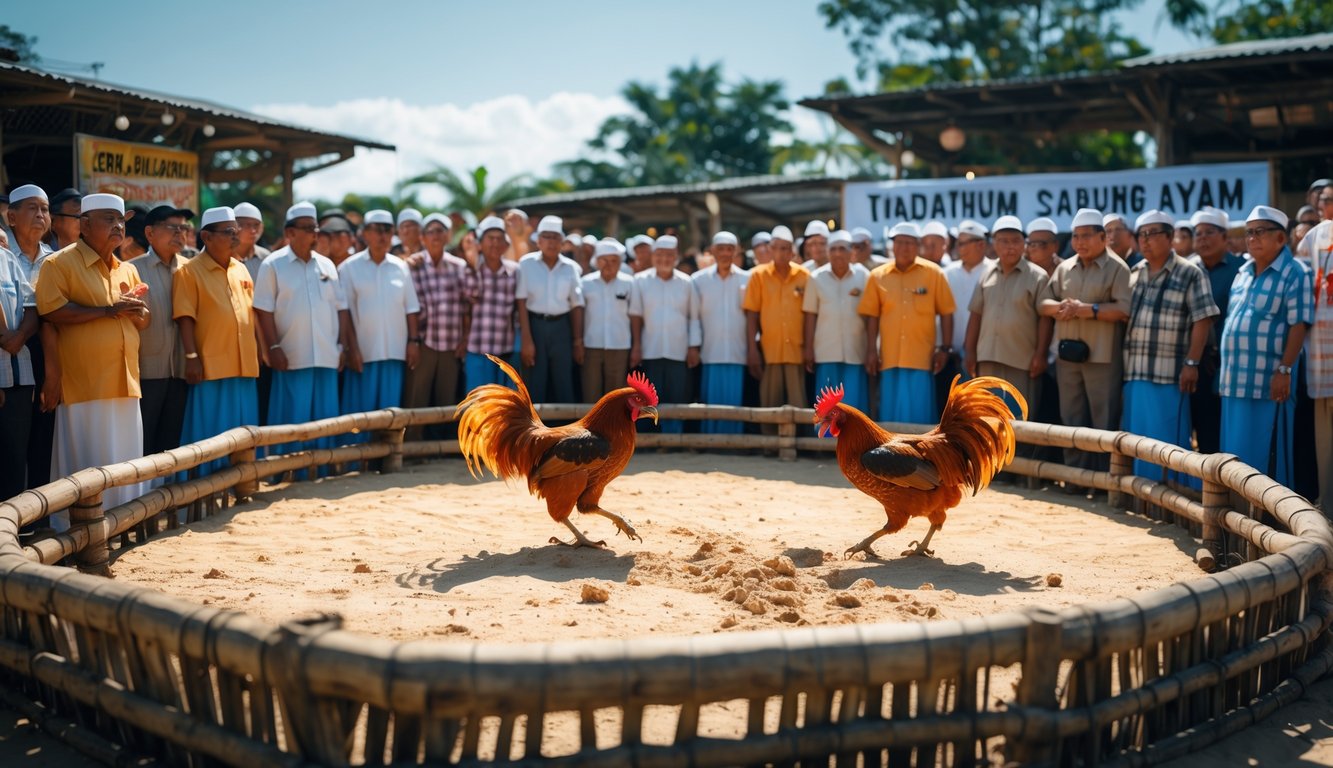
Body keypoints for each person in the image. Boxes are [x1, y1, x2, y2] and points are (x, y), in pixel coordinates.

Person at [34, 193, 150, 529]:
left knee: (125, 460)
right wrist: (109, 310)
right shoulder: (58, 264)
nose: (118, 226)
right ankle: (81, 531)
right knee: (88, 461)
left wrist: (136, 310)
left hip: (125, 380)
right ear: (85, 225)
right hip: (85, 381)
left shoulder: (126, 268)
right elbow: (51, 313)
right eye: (109, 219)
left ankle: (124, 524)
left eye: (121, 220)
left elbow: (143, 321)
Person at [254, 202, 354, 472]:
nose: (315, 233)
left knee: (325, 420)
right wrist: (272, 346)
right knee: (291, 419)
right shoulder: (272, 265)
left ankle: (321, 472)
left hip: (326, 355)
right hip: (291, 355)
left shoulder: (327, 265)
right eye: (308, 228)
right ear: (290, 232)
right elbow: (262, 310)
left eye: (315, 228)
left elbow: (341, 309)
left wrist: (343, 346)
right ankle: (285, 473)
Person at [1120, 210, 1219, 484]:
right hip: (1135, 373)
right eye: (1142, 235)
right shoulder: (1135, 272)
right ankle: (1142, 502)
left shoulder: (1190, 272)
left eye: (1152, 234)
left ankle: (1173, 502)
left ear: (1170, 237)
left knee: (1169, 444)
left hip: (1171, 375)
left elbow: (1203, 320)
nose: (1146, 240)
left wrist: (1191, 364)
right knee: (1138, 442)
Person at [1219, 206, 1312, 489]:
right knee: (1233, 457)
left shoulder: (1295, 273)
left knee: (1266, 461)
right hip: (1233, 383)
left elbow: (1299, 324)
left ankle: (1267, 521)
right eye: (1249, 232)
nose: (1252, 238)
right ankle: (1235, 518)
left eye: (1260, 232)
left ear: (1281, 239)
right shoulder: (1243, 272)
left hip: (1270, 384)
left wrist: (1285, 369)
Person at [1038, 208, 1131, 489]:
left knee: (1103, 421)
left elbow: (1124, 309)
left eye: (1087, 236)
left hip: (1103, 358)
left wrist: (1087, 309)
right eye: (1076, 236)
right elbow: (1042, 303)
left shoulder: (1118, 268)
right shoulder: (1065, 267)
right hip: (1068, 357)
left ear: (1103, 237)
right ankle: (1075, 482)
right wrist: (1062, 308)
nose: (1080, 242)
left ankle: (1104, 485)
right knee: (1072, 418)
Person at [173, 207, 260, 476]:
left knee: (243, 431)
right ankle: (203, 488)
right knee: (210, 431)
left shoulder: (242, 269)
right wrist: (191, 357)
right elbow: (184, 318)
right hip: (210, 366)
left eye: (237, 231)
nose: (236, 237)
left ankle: (241, 483)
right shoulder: (189, 271)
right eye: (228, 232)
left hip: (244, 364)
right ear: (206, 237)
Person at [858, 221, 955, 423]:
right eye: (899, 242)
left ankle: (919, 453)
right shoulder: (877, 276)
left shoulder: (934, 273)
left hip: (922, 356)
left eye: (910, 243)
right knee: (889, 412)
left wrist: (945, 349)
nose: (904, 247)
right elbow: (872, 317)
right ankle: (892, 453)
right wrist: (870, 351)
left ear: (918, 245)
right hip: (889, 356)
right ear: (892, 245)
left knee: (920, 412)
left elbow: (947, 313)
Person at [963, 215, 1051, 422]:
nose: (1010, 247)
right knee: (987, 419)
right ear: (994, 244)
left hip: (1021, 360)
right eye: (1003, 241)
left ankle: (1021, 456)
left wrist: (1040, 354)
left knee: (1019, 419)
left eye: (1015, 241)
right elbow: (976, 315)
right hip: (987, 358)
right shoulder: (986, 274)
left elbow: (1045, 319)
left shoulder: (1038, 276)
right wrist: (969, 351)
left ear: (1024, 244)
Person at [338, 209, 420, 427]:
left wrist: (413, 342)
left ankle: (386, 460)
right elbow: (344, 312)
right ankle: (354, 461)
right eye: (376, 230)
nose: (383, 236)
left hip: (394, 352)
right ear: (365, 233)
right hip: (363, 353)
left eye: (387, 230)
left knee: (390, 416)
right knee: (360, 416)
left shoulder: (400, 267)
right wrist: (351, 349)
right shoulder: (348, 268)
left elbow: (411, 308)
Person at [129, 205, 192, 461]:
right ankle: (143, 498)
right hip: (147, 371)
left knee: (173, 443)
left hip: (182, 370)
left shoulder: (191, 269)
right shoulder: (131, 269)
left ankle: (171, 497)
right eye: (172, 227)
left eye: (183, 228)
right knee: (144, 441)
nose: (180, 233)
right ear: (150, 233)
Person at [7, 185, 57, 491]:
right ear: (11, 217)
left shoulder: (56, 260)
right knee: (11, 444)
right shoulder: (2, 254)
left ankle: (39, 521)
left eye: (45, 209)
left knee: (43, 437)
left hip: (46, 354)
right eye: (32, 208)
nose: (40, 215)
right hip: (9, 354)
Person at [404, 213, 467, 441]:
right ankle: (412, 445)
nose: (436, 236)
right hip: (424, 341)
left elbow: (467, 304)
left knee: (447, 398)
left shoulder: (459, 266)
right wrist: (412, 341)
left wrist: (465, 338)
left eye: (441, 231)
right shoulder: (412, 265)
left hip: (452, 342)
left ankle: (441, 448)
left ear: (448, 236)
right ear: (422, 237)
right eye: (430, 231)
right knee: (417, 396)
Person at [1187, 208, 1244, 455]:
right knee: (1199, 426)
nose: (1203, 238)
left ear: (1225, 237)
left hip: (1229, 363)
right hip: (1192, 364)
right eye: (1198, 233)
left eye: (1210, 232)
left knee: (1227, 429)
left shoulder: (1242, 270)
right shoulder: (1187, 269)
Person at [743, 226, 809, 434]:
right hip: (769, 350)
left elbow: (809, 316)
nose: (781, 253)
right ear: (770, 250)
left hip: (796, 350)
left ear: (793, 252)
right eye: (777, 248)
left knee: (798, 401)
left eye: (786, 249)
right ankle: (770, 445)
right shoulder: (758, 276)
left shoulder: (804, 276)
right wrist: (752, 350)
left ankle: (798, 443)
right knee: (770, 402)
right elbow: (751, 314)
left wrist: (809, 347)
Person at [630, 235, 698, 434]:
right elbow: (636, 316)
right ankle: (650, 439)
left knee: (677, 396)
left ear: (676, 256)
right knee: (649, 398)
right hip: (650, 349)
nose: (664, 259)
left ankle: (674, 438)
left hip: (679, 350)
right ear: (653, 256)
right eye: (659, 255)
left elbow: (693, 318)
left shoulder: (687, 282)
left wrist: (693, 347)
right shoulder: (640, 281)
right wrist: (636, 346)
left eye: (669, 255)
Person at [516, 215, 584, 404]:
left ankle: (566, 432)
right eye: (546, 236)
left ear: (562, 242)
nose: (551, 242)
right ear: (538, 241)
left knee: (564, 383)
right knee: (535, 383)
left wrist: (578, 341)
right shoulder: (525, 264)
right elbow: (520, 301)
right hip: (535, 326)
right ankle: (536, 432)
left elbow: (577, 305)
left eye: (556, 237)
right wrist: (526, 339)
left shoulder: (571, 268)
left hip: (562, 328)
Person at [804, 230, 869, 413]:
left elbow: (872, 315)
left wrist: (873, 348)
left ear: (851, 252)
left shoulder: (863, 276)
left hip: (856, 349)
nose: (838, 253)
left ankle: (856, 442)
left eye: (842, 249)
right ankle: (825, 442)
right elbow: (810, 315)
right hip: (825, 350)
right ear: (828, 252)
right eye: (833, 249)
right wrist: (808, 348)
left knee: (854, 405)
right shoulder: (816, 278)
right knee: (827, 406)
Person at [691, 231, 750, 432]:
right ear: (713, 251)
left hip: (738, 350)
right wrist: (694, 346)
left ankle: (734, 441)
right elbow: (694, 317)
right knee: (710, 399)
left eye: (730, 249)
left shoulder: (748, 279)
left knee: (735, 400)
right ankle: (711, 439)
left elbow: (753, 317)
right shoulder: (698, 280)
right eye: (721, 249)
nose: (725, 253)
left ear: (737, 252)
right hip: (710, 350)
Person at [462, 216, 519, 389]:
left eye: (499, 239)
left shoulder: (515, 271)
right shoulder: (469, 269)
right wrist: (473, 264)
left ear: (505, 245)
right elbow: (469, 298)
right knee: (477, 407)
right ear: (480, 243)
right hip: (476, 350)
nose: (494, 243)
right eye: (490, 238)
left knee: (504, 408)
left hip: (505, 352)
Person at [0, 244, 37, 501]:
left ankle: (9, 535)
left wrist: (21, 334)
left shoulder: (7, 258)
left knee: (14, 462)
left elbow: (32, 308)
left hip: (18, 377)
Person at [939, 219, 990, 402]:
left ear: (981, 244)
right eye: (958, 243)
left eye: (962, 243)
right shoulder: (947, 273)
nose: (958, 248)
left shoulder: (993, 270)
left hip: (982, 355)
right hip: (950, 355)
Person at [580, 239, 634, 400]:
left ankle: (613, 426)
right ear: (597, 261)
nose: (609, 264)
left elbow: (635, 315)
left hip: (620, 345)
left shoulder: (630, 283)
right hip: (591, 345)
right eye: (604, 260)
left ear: (620, 262)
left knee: (615, 397)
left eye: (613, 260)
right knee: (590, 393)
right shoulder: (585, 282)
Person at [232, 202, 271, 281]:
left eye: (256, 225)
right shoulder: (222, 257)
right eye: (247, 225)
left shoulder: (266, 258)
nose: (253, 231)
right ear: (234, 227)